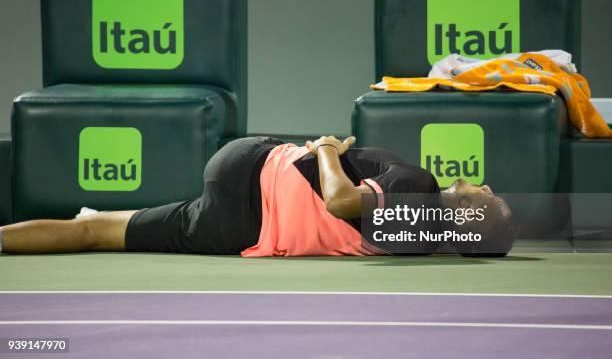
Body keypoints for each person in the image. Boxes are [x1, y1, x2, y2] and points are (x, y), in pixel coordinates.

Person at [0, 136, 517, 256]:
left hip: (251, 171)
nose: (488, 185)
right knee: (96, 233)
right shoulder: (420, 243)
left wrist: (329, 150)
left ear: (470, 209)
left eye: (491, 199)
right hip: (241, 232)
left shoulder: (418, 187)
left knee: (95, 227)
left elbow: (338, 201)